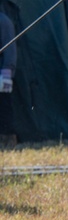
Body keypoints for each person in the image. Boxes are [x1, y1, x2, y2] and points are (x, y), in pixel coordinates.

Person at [0, 11, 16, 148]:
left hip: (2, 74)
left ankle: (8, 140)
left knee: (4, 107)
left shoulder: (3, 21)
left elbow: (10, 50)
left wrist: (7, 73)